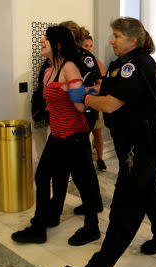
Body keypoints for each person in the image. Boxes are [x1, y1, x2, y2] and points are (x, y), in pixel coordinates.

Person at [62, 17, 156, 267]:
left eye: (116, 35)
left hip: (143, 144)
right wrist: (92, 91)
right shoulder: (122, 64)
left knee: (127, 203)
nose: (111, 40)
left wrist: (81, 98)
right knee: (148, 187)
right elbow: (107, 90)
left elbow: (111, 105)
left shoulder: (134, 65)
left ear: (133, 40)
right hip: (137, 142)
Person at [11, 26, 101, 246]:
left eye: (46, 39)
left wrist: (85, 94)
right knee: (42, 176)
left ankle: (92, 228)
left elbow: (80, 107)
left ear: (58, 45)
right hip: (58, 134)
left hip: (75, 135)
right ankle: (39, 227)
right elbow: (52, 103)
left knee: (84, 183)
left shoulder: (70, 67)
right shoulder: (50, 70)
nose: (42, 40)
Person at [59, 21, 104, 216]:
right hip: (65, 117)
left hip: (83, 115)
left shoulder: (85, 58)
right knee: (78, 163)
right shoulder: (59, 57)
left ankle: (93, 204)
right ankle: (92, 202)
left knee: (82, 163)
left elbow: (100, 87)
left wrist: (76, 92)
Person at [82, 35, 108, 172]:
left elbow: (101, 84)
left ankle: (100, 159)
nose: (90, 48)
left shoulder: (96, 63)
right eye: (86, 46)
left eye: (91, 45)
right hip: (81, 104)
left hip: (95, 101)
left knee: (97, 132)